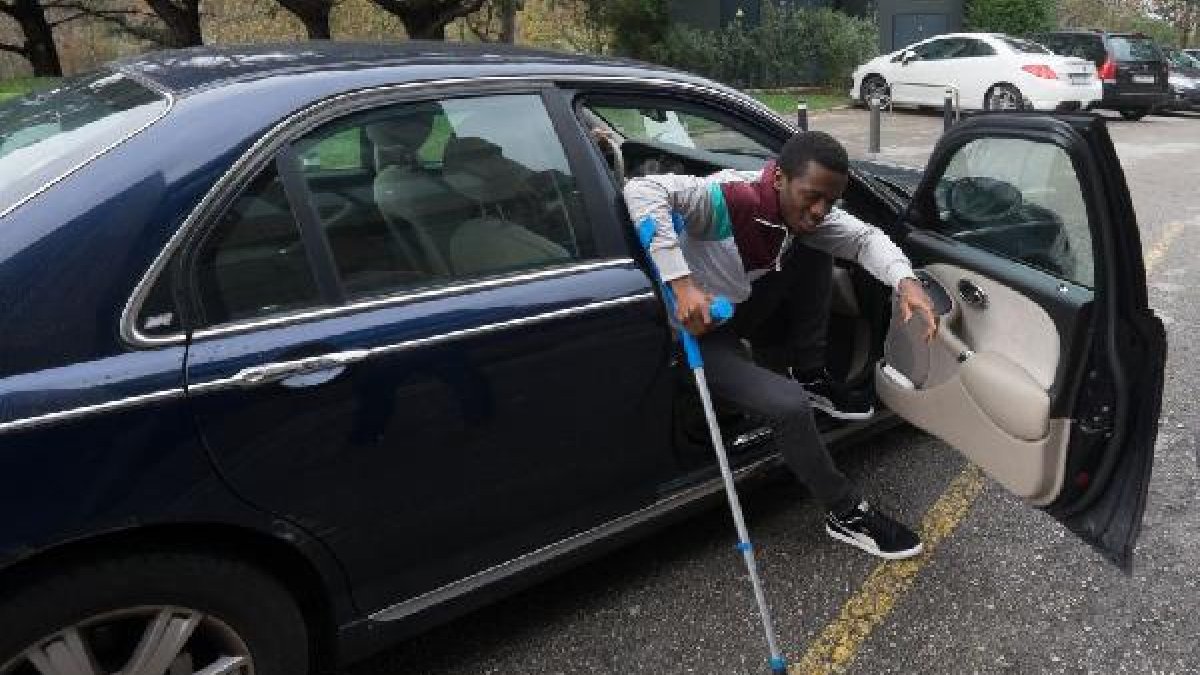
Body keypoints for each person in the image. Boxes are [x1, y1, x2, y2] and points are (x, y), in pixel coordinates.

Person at [623, 130, 938, 559]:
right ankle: (844, 513)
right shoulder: (725, 199)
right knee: (789, 405)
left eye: (831, 201)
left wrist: (906, 281)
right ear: (778, 178)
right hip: (699, 332)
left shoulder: (804, 213)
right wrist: (682, 284)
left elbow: (864, 239)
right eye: (811, 196)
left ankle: (812, 374)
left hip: (740, 306)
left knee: (814, 245)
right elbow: (642, 189)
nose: (820, 209)